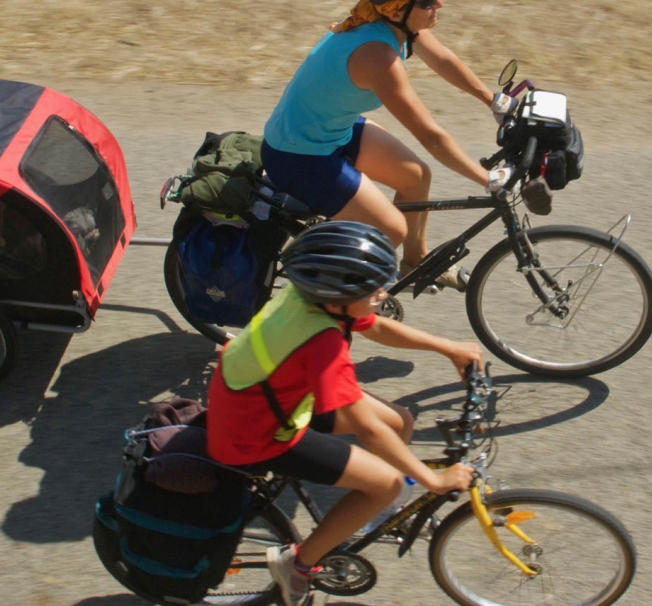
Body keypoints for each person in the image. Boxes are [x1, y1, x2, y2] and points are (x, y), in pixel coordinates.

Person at [205, 221, 483, 606]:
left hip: (271, 397)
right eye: (373, 288)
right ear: (337, 299)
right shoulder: (322, 342)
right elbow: (368, 430)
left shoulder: (314, 300)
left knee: (400, 420)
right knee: (390, 482)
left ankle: (366, 509)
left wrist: (449, 347)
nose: (383, 292)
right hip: (256, 433)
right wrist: (431, 481)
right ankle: (297, 565)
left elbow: (377, 328)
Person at [261, 0, 518, 290]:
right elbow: (430, 135)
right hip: (299, 156)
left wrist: (494, 100)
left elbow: (444, 61)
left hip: (329, 132)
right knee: (391, 230)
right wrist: (487, 178)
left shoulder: (394, 24)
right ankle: (321, 300)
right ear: (397, 9)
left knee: (414, 176)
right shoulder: (377, 57)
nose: (439, 3)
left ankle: (415, 265)